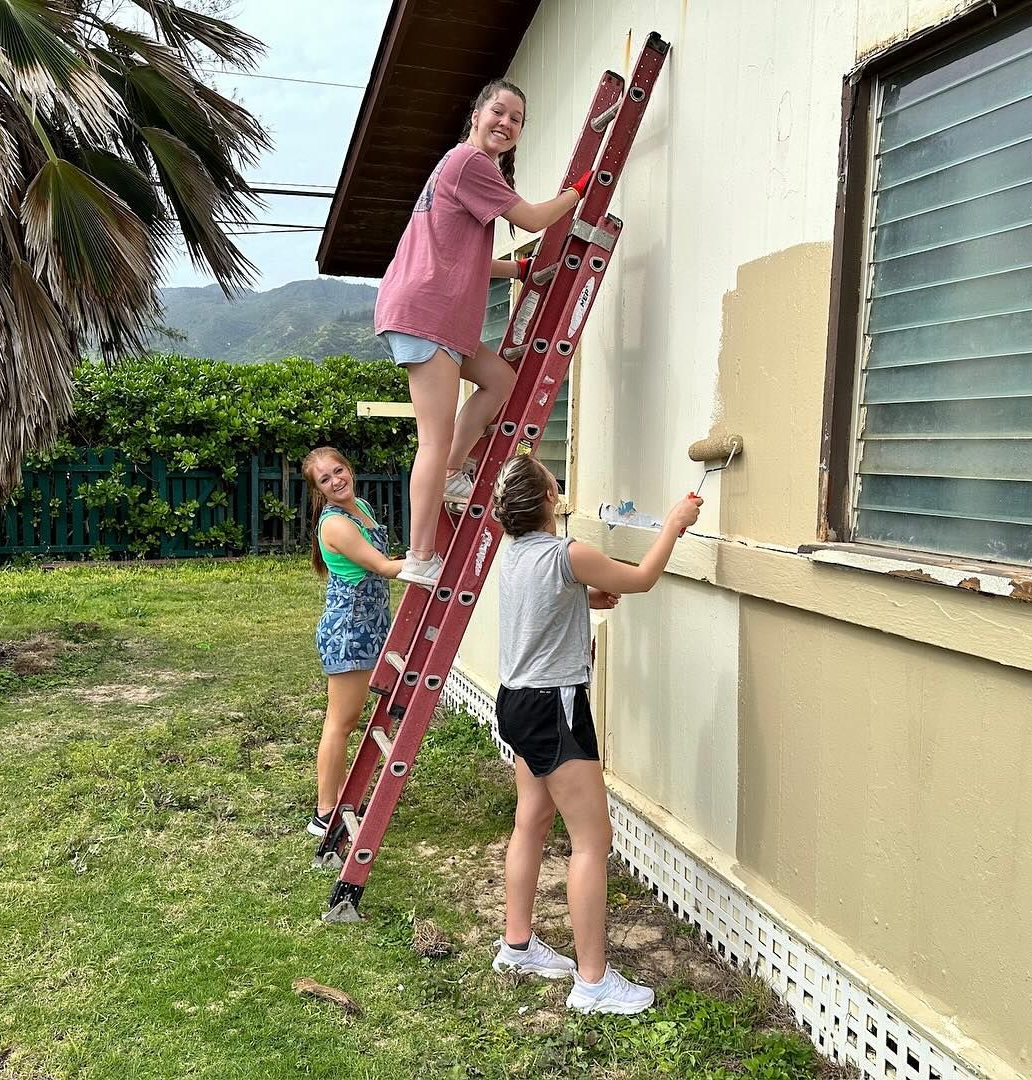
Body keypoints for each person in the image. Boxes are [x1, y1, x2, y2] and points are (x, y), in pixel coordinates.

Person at [487, 453, 702, 1014]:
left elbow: (540, 606)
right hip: (554, 707)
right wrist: (674, 524)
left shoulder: (514, 554)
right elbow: (642, 580)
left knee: (531, 821)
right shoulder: (569, 554)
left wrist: (580, 599)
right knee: (592, 840)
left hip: (516, 703)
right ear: (547, 500)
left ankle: (517, 946)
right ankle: (592, 981)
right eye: (553, 482)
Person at [374, 78, 594, 588]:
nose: (507, 123)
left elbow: (460, 256)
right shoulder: (470, 163)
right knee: (432, 437)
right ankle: (420, 554)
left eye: (516, 119)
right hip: (427, 314)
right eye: (499, 111)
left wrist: (516, 273)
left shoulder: (462, 169)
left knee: (499, 379)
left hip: (439, 315)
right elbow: (535, 217)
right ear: (476, 113)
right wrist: (577, 192)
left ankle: (453, 470)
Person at [302, 447, 404, 837]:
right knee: (340, 722)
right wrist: (428, 566)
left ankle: (339, 797)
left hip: (370, 625)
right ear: (319, 491)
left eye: (338, 470)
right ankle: (325, 812)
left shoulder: (359, 506)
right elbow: (381, 566)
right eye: (325, 479)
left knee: (347, 720)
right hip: (349, 632)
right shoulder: (334, 524)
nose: (335, 481)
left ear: (349, 468)